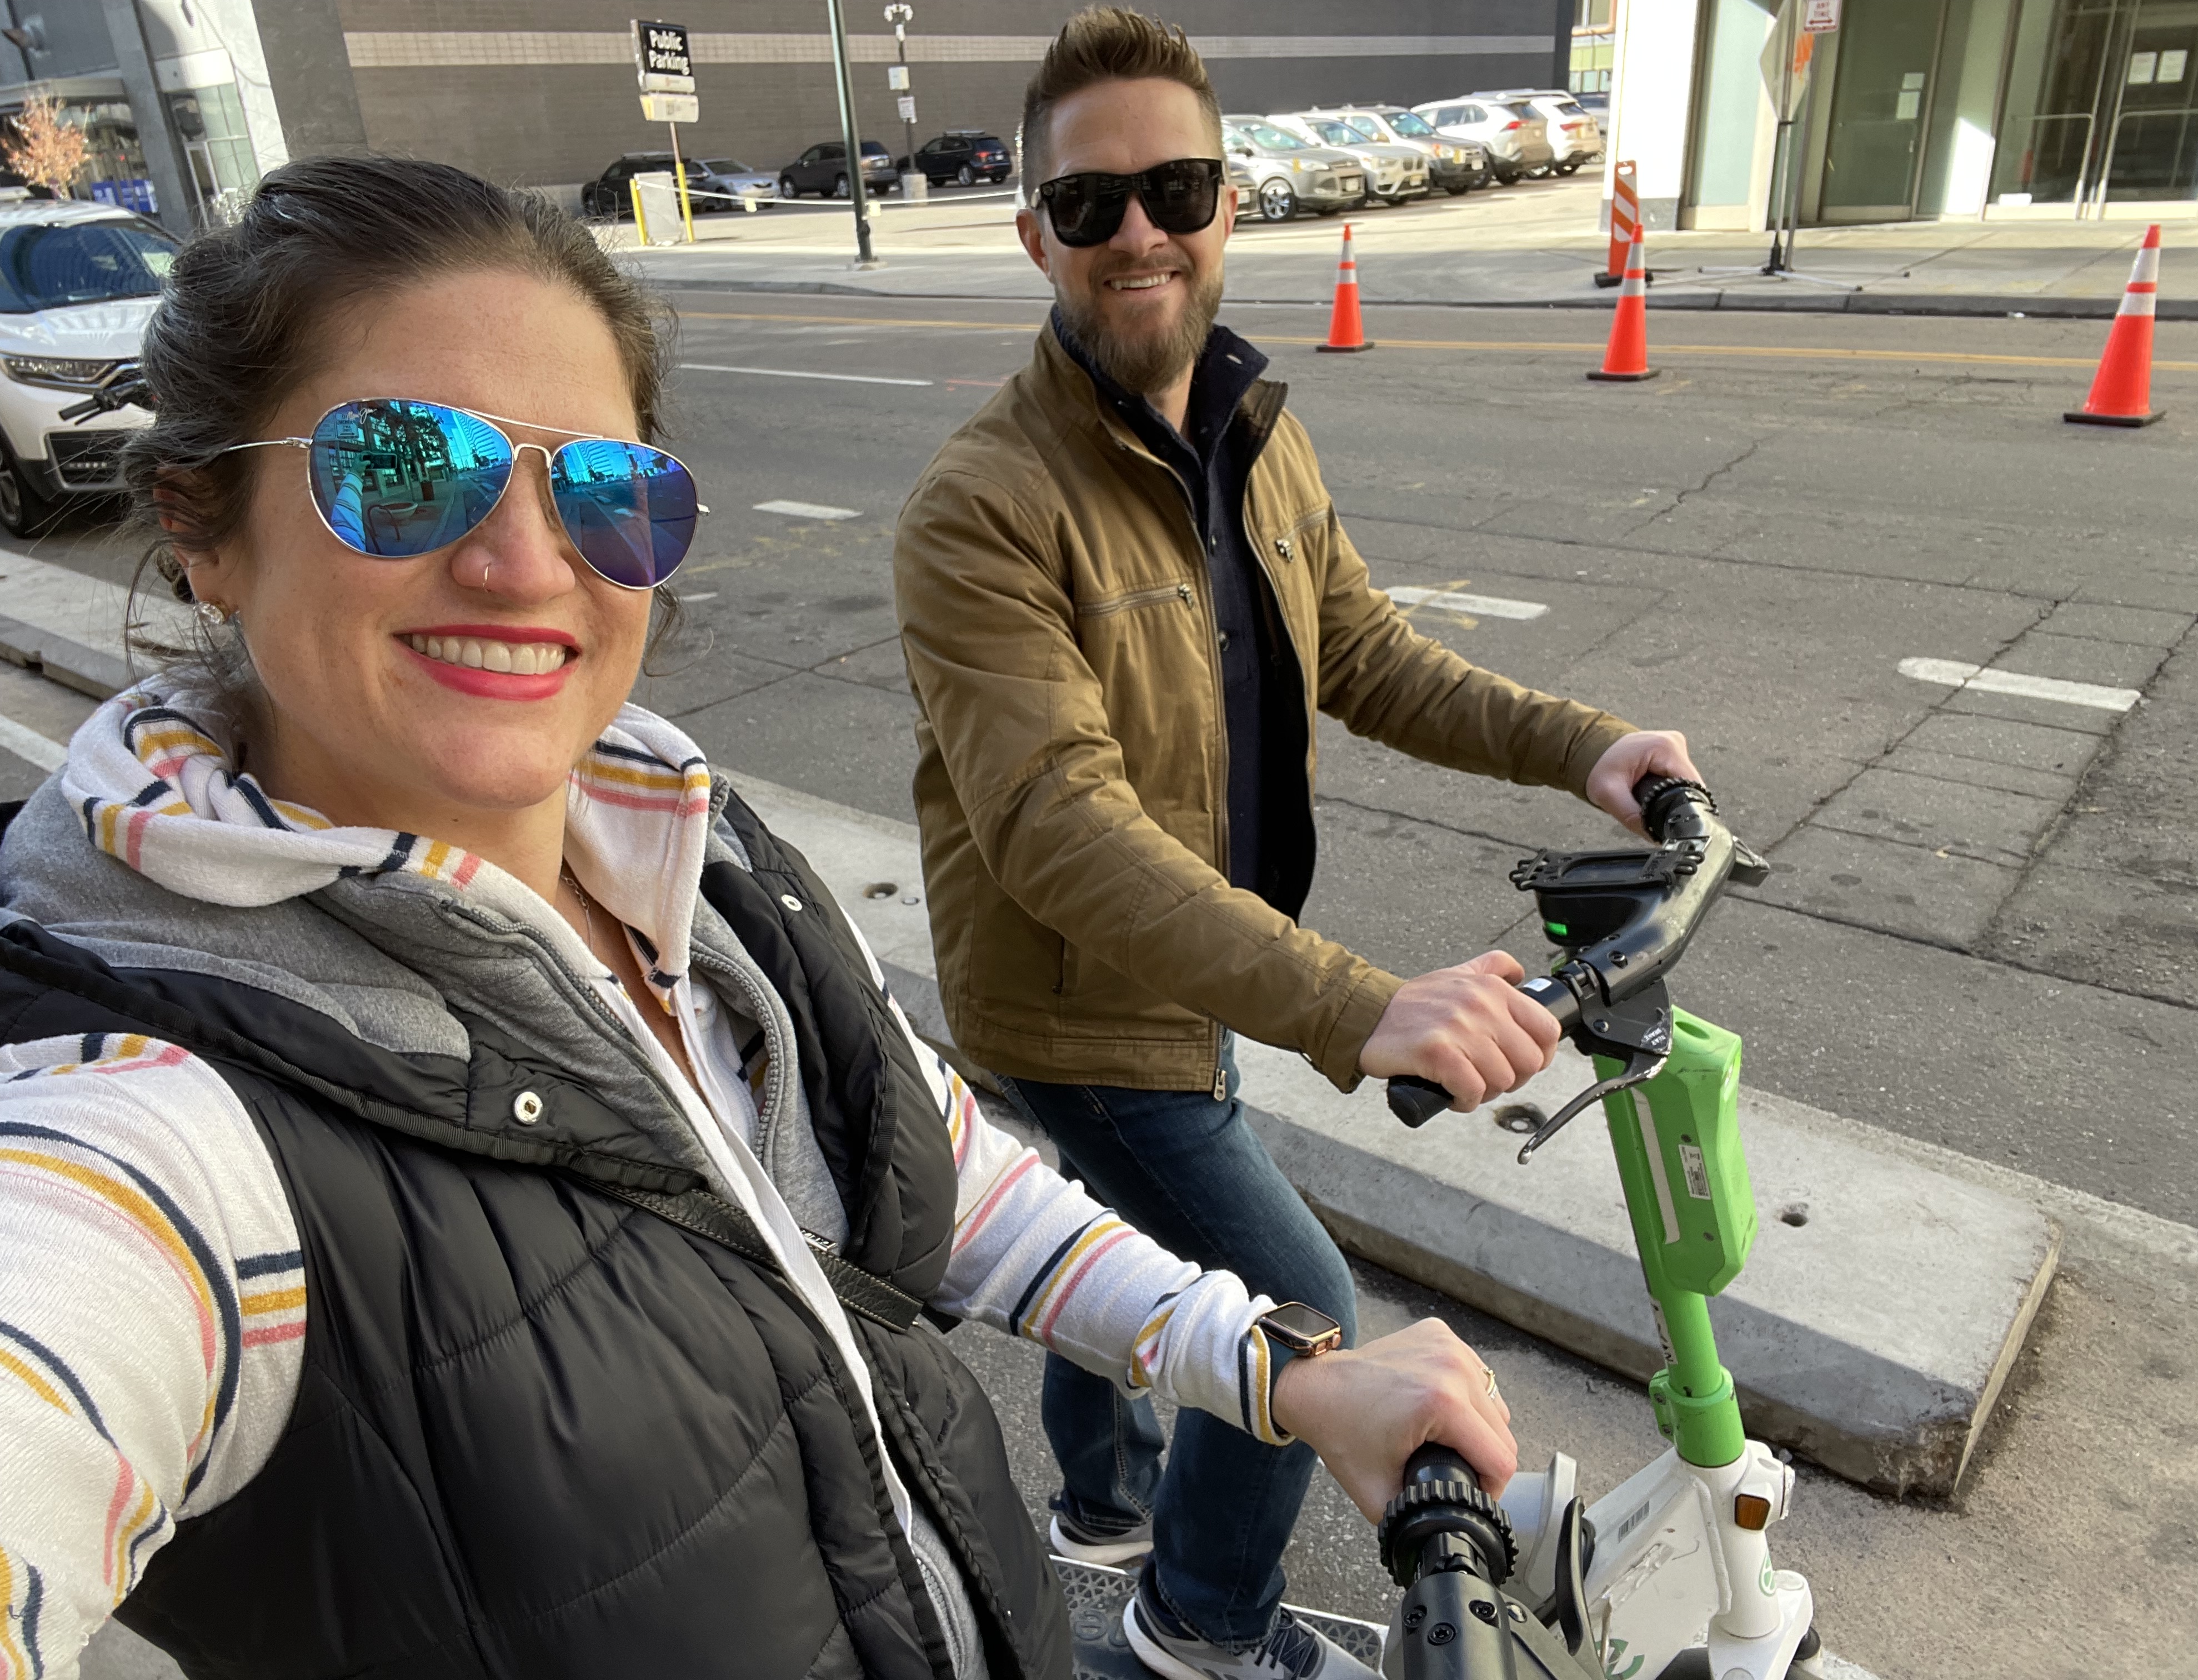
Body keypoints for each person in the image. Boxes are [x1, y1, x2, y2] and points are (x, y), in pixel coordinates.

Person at [0, 156, 1518, 1680]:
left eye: (603, 488)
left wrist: (1278, 1373)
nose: (523, 564)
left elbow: (931, 1163)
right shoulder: (157, 1129)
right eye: (402, 466)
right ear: (201, 520)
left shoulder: (694, 856)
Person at [891, 12, 1704, 1678]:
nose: (1140, 233)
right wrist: (1359, 1003)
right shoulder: (983, 504)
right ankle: (1202, 1625)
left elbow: (1369, 655)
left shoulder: (1255, 429)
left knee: (1127, 1231)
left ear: (1228, 204)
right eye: (1092, 202)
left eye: (1176, 190)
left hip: (1209, 968)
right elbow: (1056, 827)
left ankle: (1101, 1507)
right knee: (1296, 1305)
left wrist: (1584, 749)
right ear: (1036, 232)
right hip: (1082, 997)